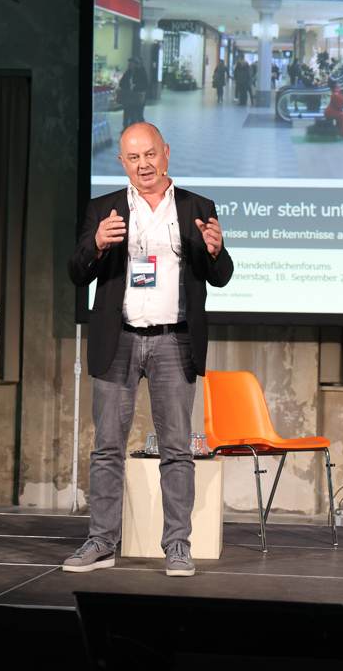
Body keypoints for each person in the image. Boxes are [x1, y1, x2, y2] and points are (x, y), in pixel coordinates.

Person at [64, 122, 233, 578]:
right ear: (122, 162)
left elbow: (220, 276)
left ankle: (177, 545)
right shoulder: (103, 208)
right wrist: (97, 244)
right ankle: (102, 541)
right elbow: (77, 272)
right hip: (117, 339)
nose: (144, 165)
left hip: (173, 340)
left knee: (177, 449)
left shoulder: (197, 207)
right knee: (107, 448)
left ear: (166, 153)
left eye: (150, 154)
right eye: (134, 158)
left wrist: (216, 252)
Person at [118, 57, 149, 128]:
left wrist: (135, 86)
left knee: (139, 114)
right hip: (129, 97)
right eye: (129, 64)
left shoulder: (141, 72)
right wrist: (127, 86)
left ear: (135, 64)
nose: (129, 65)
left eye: (131, 64)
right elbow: (122, 83)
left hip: (138, 97)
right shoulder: (128, 72)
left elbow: (145, 85)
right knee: (127, 113)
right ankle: (126, 127)